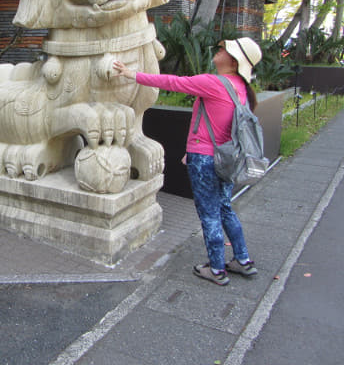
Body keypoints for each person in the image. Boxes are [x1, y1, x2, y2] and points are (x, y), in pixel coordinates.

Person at [112, 38, 262, 286]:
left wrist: (131, 74)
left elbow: (173, 82)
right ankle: (243, 260)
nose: (219, 50)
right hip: (227, 159)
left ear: (233, 61)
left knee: (209, 214)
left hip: (205, 160)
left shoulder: (214, 83)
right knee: (225, 208)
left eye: (225, 50)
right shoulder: (242, 88)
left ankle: (215, 268)